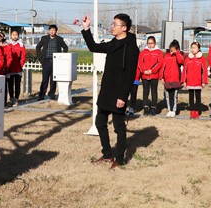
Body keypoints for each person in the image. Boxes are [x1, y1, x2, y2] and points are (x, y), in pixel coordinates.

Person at [81, 13, 139, 168]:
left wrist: (123, 96)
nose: (112, 27)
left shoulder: (131, 47)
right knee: (100, 122)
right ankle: (107, 154)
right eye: (112, 24)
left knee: (119, 126)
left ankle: (119, 159)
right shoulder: (113, 43)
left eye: (115, 24)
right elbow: (93, 47)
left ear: (124, 28)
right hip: (106, 91)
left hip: (119, 93)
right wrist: (86, 29)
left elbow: (129, 75)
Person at [35, 24, 68, 101]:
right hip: (46, 61)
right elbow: (38, 47)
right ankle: (41, 95)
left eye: (54, 30)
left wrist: (62, 58)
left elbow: (65, 48)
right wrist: (40, 58)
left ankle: (52, 94)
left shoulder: (59, 39)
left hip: (56, 62)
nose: (52, 31)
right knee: (44, 79)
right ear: (49, 31)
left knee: (53, 79)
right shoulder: (44, 38)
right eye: (51, 30)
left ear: (56, 31)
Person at [137, 35, 163, 116]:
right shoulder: (143, 52)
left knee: (154, 92)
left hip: (154, 75)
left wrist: (152, 71)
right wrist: (144, 71)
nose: (150, 45)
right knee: (145, 92)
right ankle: (145, 107)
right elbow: (140, 62)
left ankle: (153, 107)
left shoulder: (158, 52)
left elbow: (160, 63)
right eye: (148, 43)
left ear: (155, 43)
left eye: (151, 43)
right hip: (145, 76)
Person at [182, 41, 208, 118]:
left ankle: (197, 111)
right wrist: (184, 81)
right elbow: (184, 71)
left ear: (198, 49)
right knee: (191, 97)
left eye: (195, 48)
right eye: (192, 48)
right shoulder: (187, 59)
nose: (193, 49)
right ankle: (192, 111)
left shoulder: (202, 59)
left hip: (198, 82)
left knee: (198, 97)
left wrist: (204, 81)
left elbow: (205, 71)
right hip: (189, 81)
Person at [159, 40, 184, 118]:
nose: (172, 50)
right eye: (171, 48)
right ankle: (169, 110)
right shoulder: (166, 56)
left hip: (175, 80)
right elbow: (162, 67)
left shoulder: (179, 55)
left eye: (174, 48)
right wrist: (161, 77)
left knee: (174, 96)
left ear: (177, 49)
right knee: (167, 96)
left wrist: (177, 53)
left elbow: (181, 61)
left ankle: (173, 110)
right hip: (167, 80)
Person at [6, 29, 26, 106]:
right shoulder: (8, 44)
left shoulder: (21, 45)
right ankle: (11, 98)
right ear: (11, 35)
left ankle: (16, 99)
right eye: (13, 34)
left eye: (16, 34)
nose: (14, 36)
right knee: (10, 84)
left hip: (17, 68)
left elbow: (23, 57)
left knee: (17, 84)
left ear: (18, 36)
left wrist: (20, 65)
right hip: (10, 68)